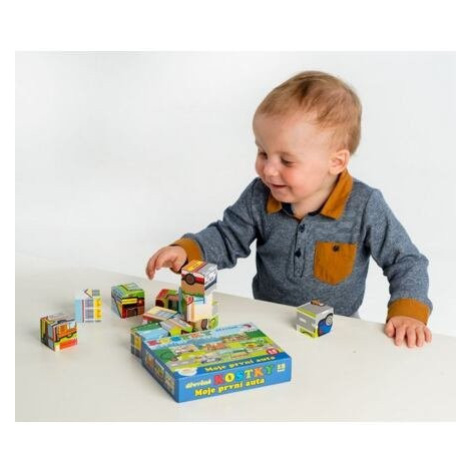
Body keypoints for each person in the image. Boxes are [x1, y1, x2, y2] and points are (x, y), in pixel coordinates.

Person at [146, 71, 433, 348]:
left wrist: (408, 310)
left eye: (287, 161)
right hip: (269, 322)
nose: (268, 170)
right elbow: (227, 237)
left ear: (336, 162)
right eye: (263, 152)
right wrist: (188, 251)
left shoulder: (364, 205)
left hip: (337, 329)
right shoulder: (259, 195)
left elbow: (406, 260)